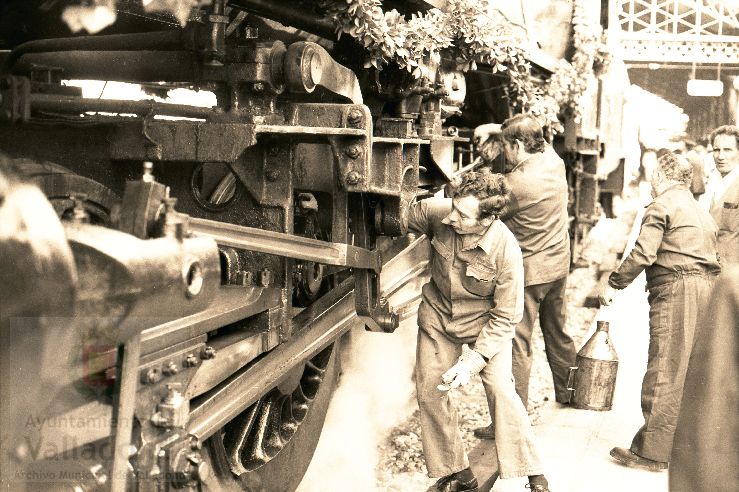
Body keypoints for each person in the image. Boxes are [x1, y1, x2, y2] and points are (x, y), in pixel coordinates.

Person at [407, 168, 550, 492]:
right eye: (454, 206)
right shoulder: (441, 212)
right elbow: (391, 218)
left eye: (463, 214)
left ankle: (534, 473)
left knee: (500, 388)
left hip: (486, 324)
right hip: (438, 318)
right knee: (431, 391)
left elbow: (505, 318)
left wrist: (472, 363)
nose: (451, 218)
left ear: (487, 220)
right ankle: (460, 474)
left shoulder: (506, 251)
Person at [599, 152, 721, 471]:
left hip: (677, 289)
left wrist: (613, 283)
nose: (651, 182)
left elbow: (642, 254)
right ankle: (680, 445)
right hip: (707, 290)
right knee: (689, 370)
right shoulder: (700, 210)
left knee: (665, 366)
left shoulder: (661, 206)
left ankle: (651, 452)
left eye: (653, 176)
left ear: (662, 176)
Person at [471, 115, 577, 441]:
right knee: (558, 332)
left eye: (505, 145)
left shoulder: (518, 185)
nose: (503, 150)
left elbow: (477, 208)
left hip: (530, 274)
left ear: (517, 145)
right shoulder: (553, 161)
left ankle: (511, 423)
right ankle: (572, 392)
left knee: (515, 346)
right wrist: (494, 130)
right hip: (558, 266)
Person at [669, 265, 739, 492]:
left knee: (667, 366)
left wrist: (616, 281)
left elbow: (713, 402)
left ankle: (651, 447)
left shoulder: (734, 287)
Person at [704, 125, 739, 264]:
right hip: (711, 266)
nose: (720, 156)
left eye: (727, 150)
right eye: (716, 150)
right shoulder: (713, 181)